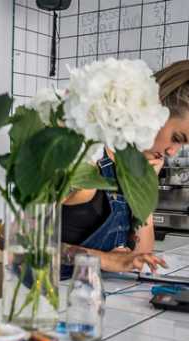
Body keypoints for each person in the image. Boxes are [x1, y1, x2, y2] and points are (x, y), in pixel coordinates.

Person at [61, 60, 189, 277]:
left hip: (97, 292)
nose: (172, 152)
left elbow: (140, 258)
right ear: (154, 112)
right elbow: (19, 242)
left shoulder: (136, 169)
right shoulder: (87, 159)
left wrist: (146, 185)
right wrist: (105, 259)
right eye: (176, 138)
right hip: (51, 292)